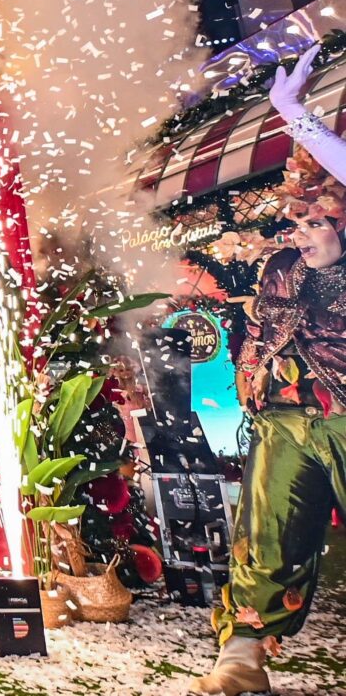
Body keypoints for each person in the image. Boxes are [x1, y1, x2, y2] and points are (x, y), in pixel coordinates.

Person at [191, 42, 345, 695]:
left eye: (320, 220)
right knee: (265, 535)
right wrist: (252, 376)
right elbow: (257, 330)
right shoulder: (281, 266)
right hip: (284, 419)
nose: (305, 231)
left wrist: (291, 110)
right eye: (299, 219)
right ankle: (244, 655)